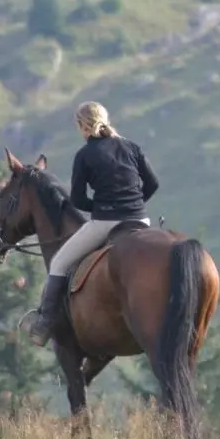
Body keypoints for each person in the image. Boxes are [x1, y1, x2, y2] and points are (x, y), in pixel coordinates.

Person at [25, 101, 159, 347]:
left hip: (105, 222)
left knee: (59, 263)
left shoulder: (85, 154)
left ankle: (44, 325)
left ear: (82, 126)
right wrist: (134, 204)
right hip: (140, 220)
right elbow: (152, 184)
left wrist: (100, 208)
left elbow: (77, 199)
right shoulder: (131, 147)